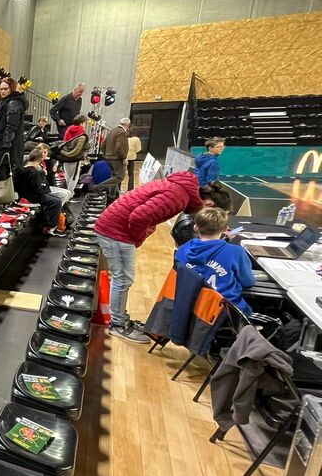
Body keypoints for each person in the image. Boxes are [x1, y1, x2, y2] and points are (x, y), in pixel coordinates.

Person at [93, 172, 232, 343]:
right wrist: (138, 237)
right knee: (122, 279)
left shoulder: (180, 189)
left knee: (123, 278)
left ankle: (120, 319)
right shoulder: (178, 196)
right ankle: (118, 325)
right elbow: (139, 216)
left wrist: (146, 229)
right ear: (209, 204)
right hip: (116, 232)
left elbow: (145, 213)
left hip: (115, 227)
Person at [175, 207, 255, 313]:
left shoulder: (182, 250)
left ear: (195, 228)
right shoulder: (236, 252)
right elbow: (248, 282)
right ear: (225, 229)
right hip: (225, 311)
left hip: (189, 306)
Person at [15, 148, 66, 237]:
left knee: (54, 199)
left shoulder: (23, 168)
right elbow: (37, 188)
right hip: (31, 196)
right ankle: (51, 227)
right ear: (39, 160)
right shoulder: (33, 171)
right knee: (57, 201)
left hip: (23, 194)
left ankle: (47, 222)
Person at [0, 77, 28, 172]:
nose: (3, 91)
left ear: (12, 88)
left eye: (5, 89)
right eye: (1, 89)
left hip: (7, 147)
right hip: (1, 143)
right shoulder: (4, 102)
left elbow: (11, 126)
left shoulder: (13, 103)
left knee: (3, 174)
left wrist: (6, 144)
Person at [60, 114, 88, 194]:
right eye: (85, 123)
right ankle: (70, 194)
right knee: (74, 177)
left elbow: (64, 142)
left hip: (65, 156)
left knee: (68, 177)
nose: (85, 125)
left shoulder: (68, 130)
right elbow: (81, 147)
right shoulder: (81, 133)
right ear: (81, 123)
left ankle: (67, 194)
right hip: (75, 157)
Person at [104, 117, 130, 198]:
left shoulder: (112, 131)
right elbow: (119, 147)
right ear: (128, 125)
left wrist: (107, 154)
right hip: (117, 159)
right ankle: (111, 195)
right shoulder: (122, 132)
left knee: (113, 177)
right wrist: (124, 158)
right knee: (118, 177)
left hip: (109, 158)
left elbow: (102, 145)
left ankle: (114, 195)